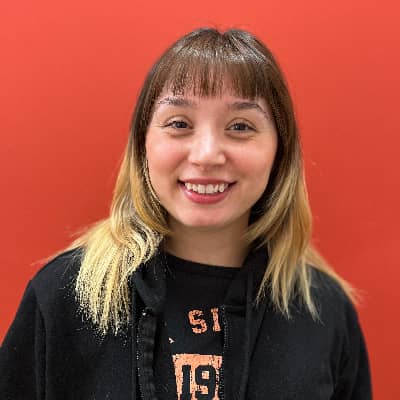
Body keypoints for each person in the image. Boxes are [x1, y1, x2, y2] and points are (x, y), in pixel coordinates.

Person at [0, 27, 372, 399]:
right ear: (143, 145)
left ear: (281, 152)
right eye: (179, 124)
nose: (206, 155)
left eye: (240, 126)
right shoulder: (64, 297)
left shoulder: (326, 312)